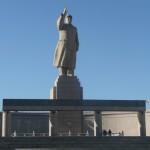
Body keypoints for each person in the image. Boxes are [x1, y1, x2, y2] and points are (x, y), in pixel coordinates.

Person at [54, 8, 79, 76]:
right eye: (67, 18)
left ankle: (70, 73)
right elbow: (59, 24)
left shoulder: (74, 29)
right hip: (63, 45)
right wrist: (63, 14)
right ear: (65, 19)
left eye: (70, 18)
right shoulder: (63, 26)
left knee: (71, 61)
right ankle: (62, 73)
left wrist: (77, 46)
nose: (69, 19)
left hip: (72, 47)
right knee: (63, 60)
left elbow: (76, 39)